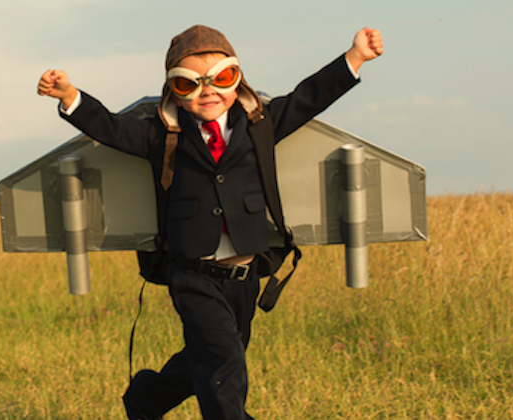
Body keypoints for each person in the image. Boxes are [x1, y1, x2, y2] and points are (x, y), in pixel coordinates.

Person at [37, 24, 383, 420]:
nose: (208, 91)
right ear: (174, 92)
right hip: (192, 273)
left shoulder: (259, 125)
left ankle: (146, 400)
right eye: (189, 85)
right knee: (223, 362)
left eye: (222, 78)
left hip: (245, 272)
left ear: (237, 80)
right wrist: (69, 96)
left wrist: (354, 57)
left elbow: (308, 98)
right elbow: (111, 128)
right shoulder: (161, 134)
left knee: (209, 356)